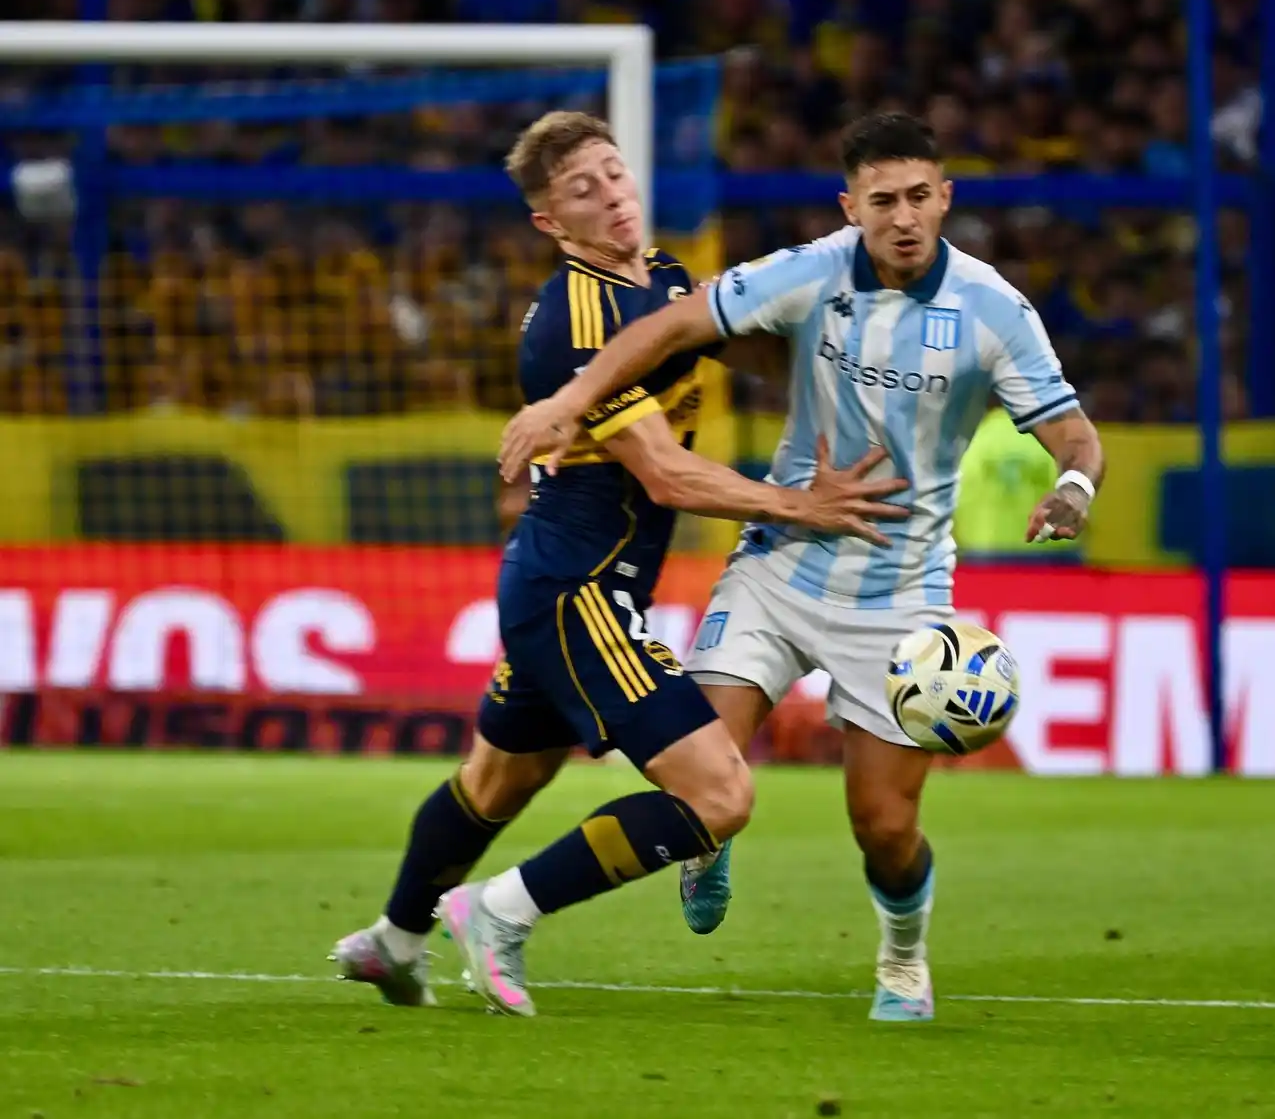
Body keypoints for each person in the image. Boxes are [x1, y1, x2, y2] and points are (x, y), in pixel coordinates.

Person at [498, 112, 1106, 1022]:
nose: (902, 217)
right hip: (779, 564)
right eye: (881, 201)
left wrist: (1074, 488)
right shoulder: (811, 269)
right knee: (698, 765)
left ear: (945, 197)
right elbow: (672, 324)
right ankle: (698, 842)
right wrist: (573, 396)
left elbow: (1073, 431)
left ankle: (903, 957)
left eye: (917, 197)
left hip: (900, 591)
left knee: (885, 826)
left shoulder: (993, 310)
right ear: (850, 206)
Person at [330, 111, 909, 1015]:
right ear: (550, 224)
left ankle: (392, 942)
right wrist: (803, 503)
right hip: (578, 589)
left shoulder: (668, 278)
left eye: (613, 172)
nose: (611, 195)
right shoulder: (573, 318)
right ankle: (496, 912)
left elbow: (749, 321)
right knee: (718, 795)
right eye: (581, 190)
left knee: (498, 778)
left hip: (557, 582)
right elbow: (667, 475)